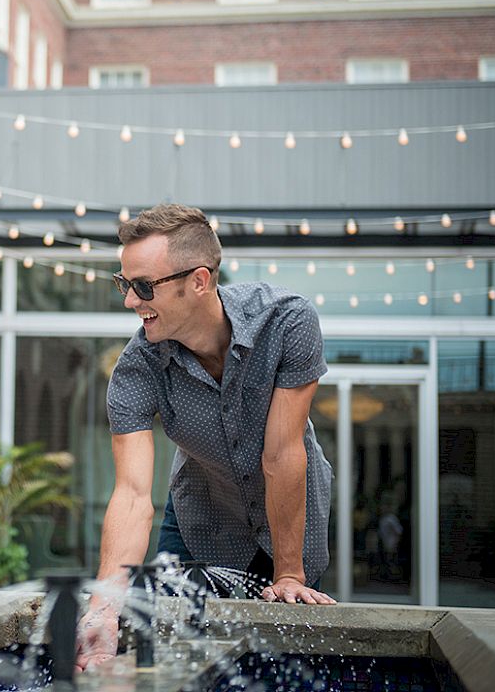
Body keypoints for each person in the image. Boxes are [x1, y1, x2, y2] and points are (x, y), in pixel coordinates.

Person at [78, 203, 335, 670]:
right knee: (172, 653)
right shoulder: (138, 369)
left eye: (143, 286)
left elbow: (281, 454)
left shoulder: (286, 322)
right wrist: (104, 608)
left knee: (278, 665)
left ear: (199, 281)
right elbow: (132, 495)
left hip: (290, 519)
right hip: (200, 518)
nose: (130, 301)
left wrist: (289, 573)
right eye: (124, 284)